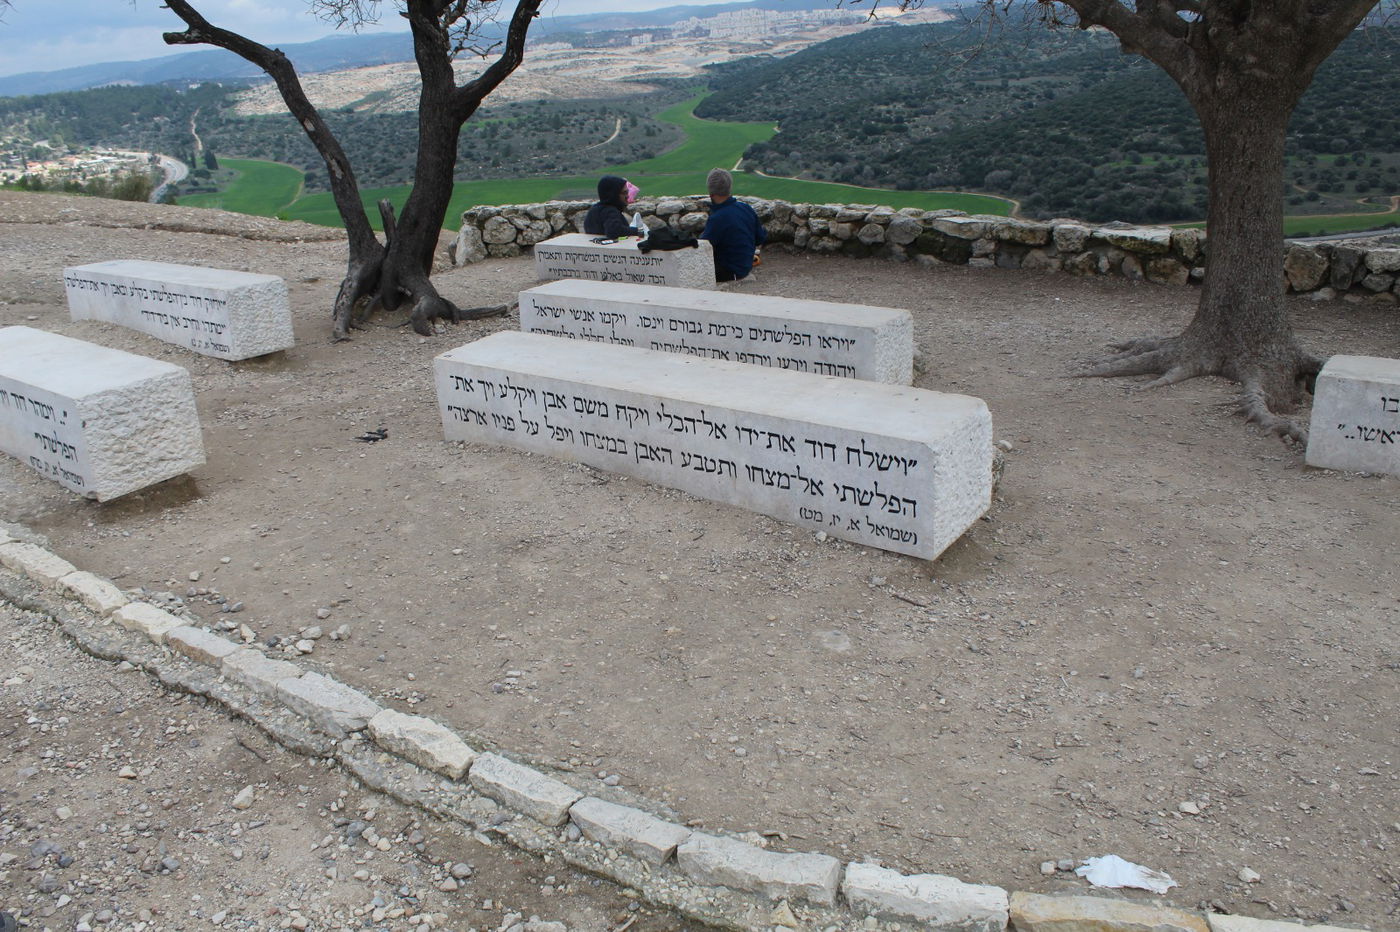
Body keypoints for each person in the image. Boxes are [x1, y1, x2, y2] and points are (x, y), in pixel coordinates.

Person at [699, 168, 767, 282]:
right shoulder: (746, 208)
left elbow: (703, 248)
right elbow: (760, 238)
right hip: (746, 266)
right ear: (729, 187)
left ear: (711, 192)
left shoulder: (717, 219)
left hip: (728, 272)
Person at [583, 175, 639, 239]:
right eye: (624, 193)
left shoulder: (594, 210)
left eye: (627, 192)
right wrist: (638, 231)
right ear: (613, 195)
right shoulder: (610, 212)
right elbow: (614, 231)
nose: (628, 196)